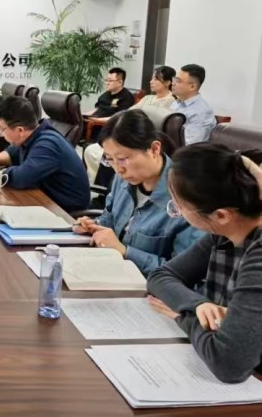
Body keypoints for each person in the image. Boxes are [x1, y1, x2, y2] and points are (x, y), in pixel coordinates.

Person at [147, 144, 262, 383]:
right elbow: (160, 276)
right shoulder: (223, 233)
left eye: (180, 207)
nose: (178, 212)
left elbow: (230, 365)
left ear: (221, 215)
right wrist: (198, 304)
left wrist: (183, 316)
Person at [73, 110, 204, 276]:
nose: (118, 169)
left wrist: (125, 252)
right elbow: (109, 219)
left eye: (123, 159)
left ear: (154, 149)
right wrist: (92, 226)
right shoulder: (123, 179)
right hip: (111, 271)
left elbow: (184, 273)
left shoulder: (188, 199)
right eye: (110, 159)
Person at [0, 95, 90, 213]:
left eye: (1, 130)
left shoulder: (47, 144)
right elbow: (11, 153)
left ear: (20, 130)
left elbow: (22, 178)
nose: (1, 135)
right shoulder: (33, 134)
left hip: (66, 212)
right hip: (45, 201)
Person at [84, 65, 178, 184]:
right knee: (91, 150)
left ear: (168, 82)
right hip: (127, 135)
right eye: (152, 78)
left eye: (156, 79)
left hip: (142, 141)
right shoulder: (148, 98)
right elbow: (127, 113)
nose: (151, 82)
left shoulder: (172, 102)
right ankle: (99, 184)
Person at [171, 64, 216, 145]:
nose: (173, 83)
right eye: (174, 79)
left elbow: (190, 145)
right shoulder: (176, 103)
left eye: (178, 81)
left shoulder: (201, 112)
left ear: (192, 87)